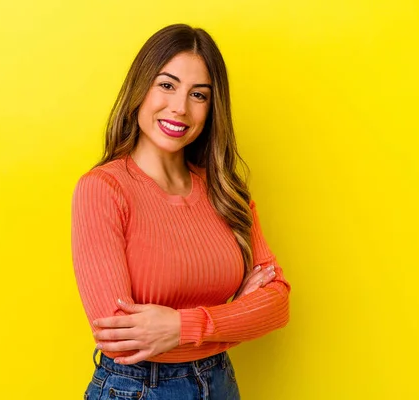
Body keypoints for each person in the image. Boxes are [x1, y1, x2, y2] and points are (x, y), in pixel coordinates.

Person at [71, 23, 291, 400]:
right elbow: (121, 337)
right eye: (167, 85)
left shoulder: (225, 191)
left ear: (211, 108)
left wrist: (181, 326)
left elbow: (277, 302)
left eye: (199, 95)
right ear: (140, 89)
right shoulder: (103, 190)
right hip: (137, 389)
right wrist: (235, 312)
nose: (180, 107)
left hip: (220, 383)